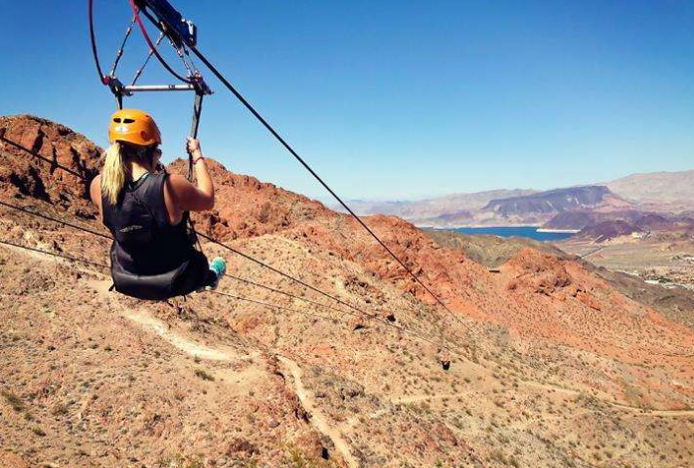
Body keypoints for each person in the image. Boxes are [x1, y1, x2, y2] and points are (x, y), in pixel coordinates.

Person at [89, 109, 226, 301]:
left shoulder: (97, 186)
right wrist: (197, 154)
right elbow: (208, 199)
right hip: (175, 278)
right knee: (208, 265)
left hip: (127, 277)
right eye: (158, 151)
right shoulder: (168, 185)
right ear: (148, 151)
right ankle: (210, 277)